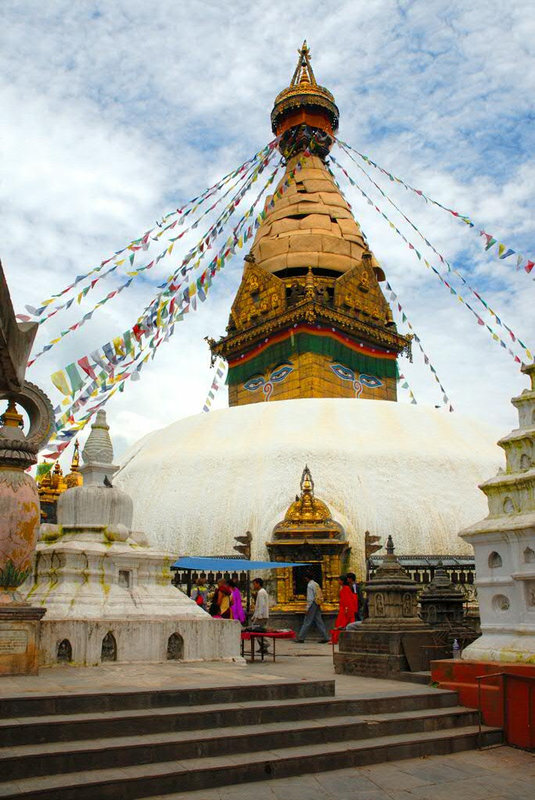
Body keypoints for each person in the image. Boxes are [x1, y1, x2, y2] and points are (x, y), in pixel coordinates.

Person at [295, 572, 329, 643]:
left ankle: (301, 637)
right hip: (317, 603)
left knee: (307, 621)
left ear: (307, 578)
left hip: (312, 604)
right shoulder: (315, 584)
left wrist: (307, 608)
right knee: (319, 620)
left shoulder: (310, 585)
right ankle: (325, 637)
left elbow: (310, 598)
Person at [331, 575, 356, 644]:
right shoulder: (345, 588)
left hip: (345, 609)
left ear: (342, 581)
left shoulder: (346, 589)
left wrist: (346, 609)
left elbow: (347, 600)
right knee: (344, 623)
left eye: (339, 580)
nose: (338, 581)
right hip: (345, 608)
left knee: (340, 623)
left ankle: (335, 638)